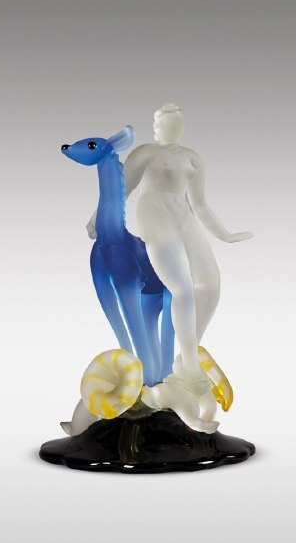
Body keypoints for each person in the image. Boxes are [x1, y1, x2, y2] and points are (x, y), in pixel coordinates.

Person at [87, 103, 252, 393]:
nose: (172, 130)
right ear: (156, 127)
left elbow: (200, 205)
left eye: (178, 124)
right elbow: (123, 190)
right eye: (166, 124)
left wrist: (225, 235)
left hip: (183, 214)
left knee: (210, 285)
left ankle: (187, 356)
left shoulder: (192, 158)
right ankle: (190, 365)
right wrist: (96, 218)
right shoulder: (145, 153)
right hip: (154, 214)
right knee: (181, 288)